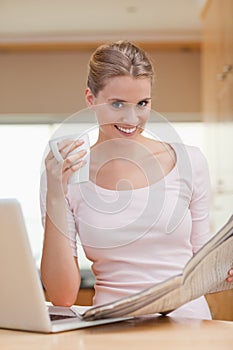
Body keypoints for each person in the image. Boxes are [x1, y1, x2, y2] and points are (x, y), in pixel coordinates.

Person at [40, 40, 233, 320]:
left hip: (188, 323)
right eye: (117, 103)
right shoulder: (66, 172)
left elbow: (202, 261)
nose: (132, 118)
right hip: (112, 326)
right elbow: (61, 296)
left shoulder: (189, 161)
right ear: (90, 99)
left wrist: (223, 269)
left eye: (142, 103)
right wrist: (56, 194)